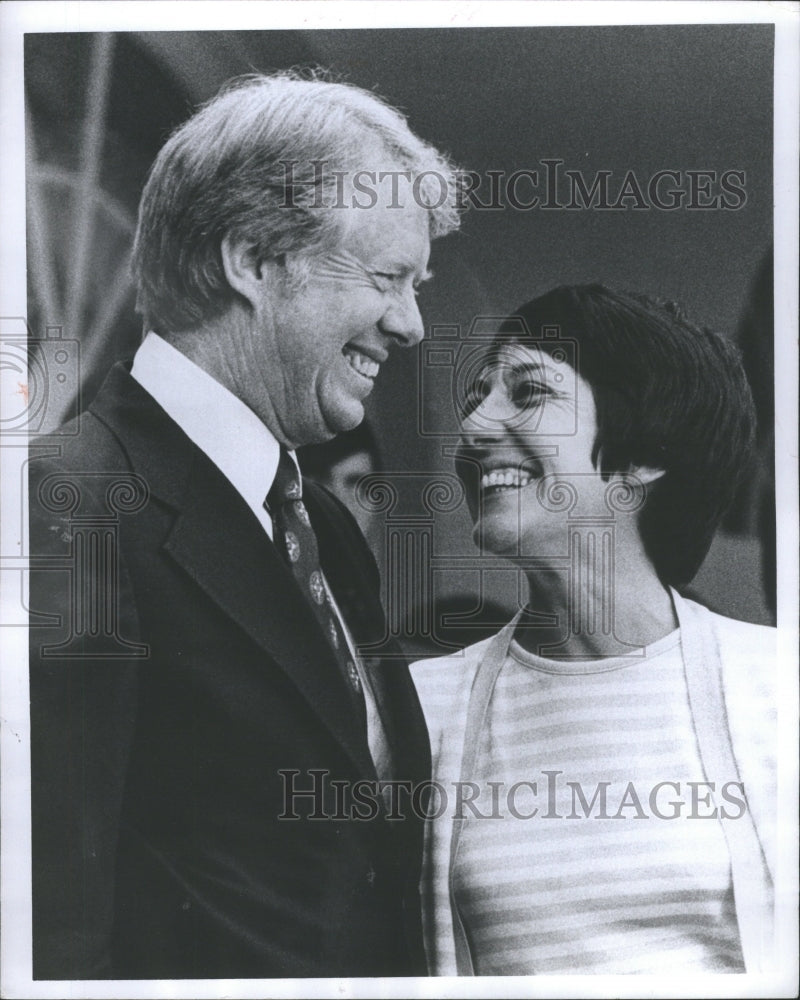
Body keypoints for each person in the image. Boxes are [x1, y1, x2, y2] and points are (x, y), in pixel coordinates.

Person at [27, 72, 459, 979]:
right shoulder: (65, 505)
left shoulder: (327, 531)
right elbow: (49, 923)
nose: (413, 325)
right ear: (255, 261)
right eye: (388, 278)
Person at [412, 285, 776, 976]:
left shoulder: (778, 689)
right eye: (475, 398)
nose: (474, 429)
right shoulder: (422, 711)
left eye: (528, 391)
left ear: (645, 454)